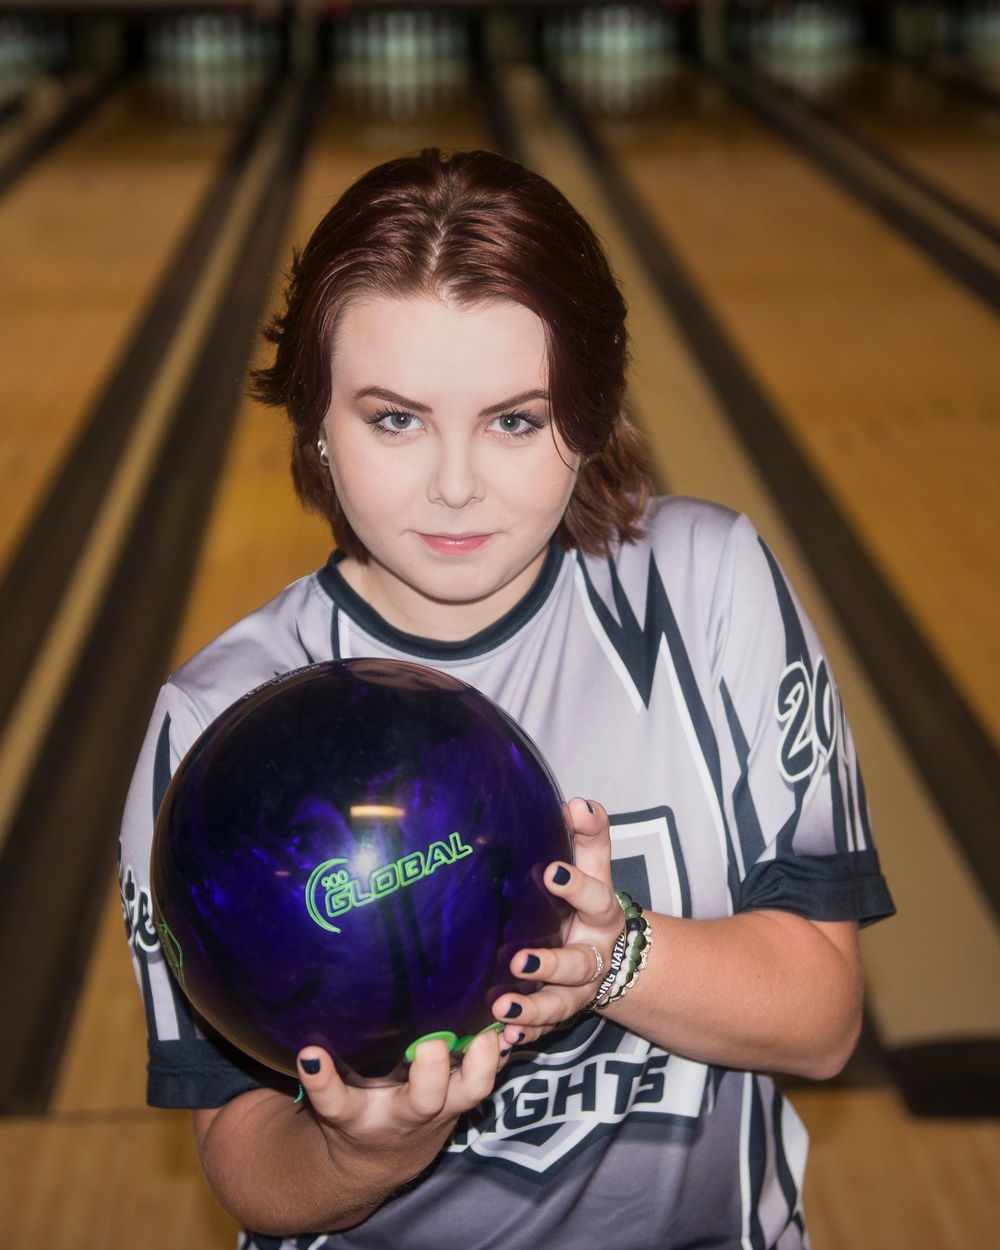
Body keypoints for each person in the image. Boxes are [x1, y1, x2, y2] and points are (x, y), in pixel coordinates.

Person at [119, 147, 894, 1249]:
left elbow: (823, 1021)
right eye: (393, 417)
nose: (453, 482)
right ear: (316, 424)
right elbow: (242, 1156)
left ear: (586, 414)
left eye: (513, 419)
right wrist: (358, 1151)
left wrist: (614, 952)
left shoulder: (703, 584)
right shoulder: (217, 725)